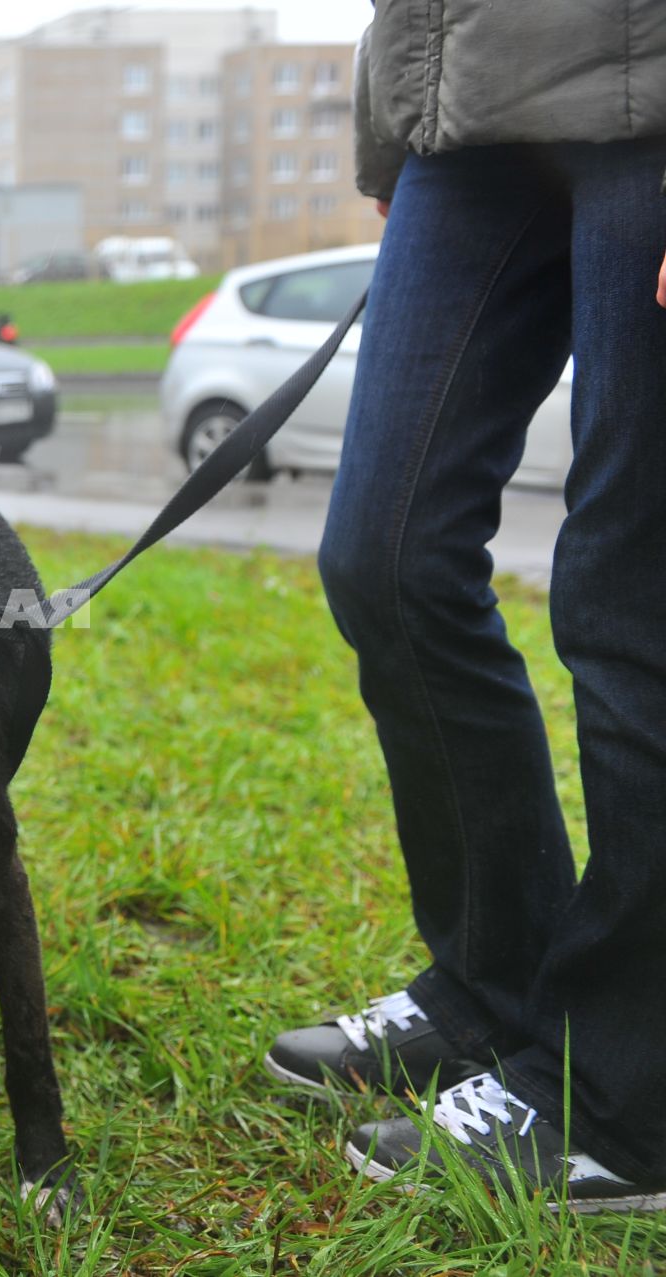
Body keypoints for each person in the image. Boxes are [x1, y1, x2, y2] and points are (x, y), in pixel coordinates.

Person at [266, 4, 666, 1212]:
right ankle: (496, 985)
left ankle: (629, 1103)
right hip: (468, 121)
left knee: (631, 597)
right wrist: (395, 132)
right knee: (385, 557)